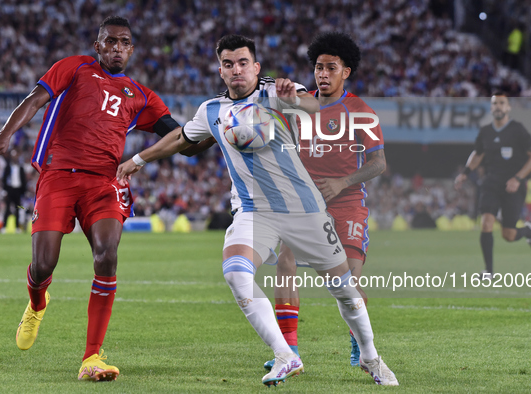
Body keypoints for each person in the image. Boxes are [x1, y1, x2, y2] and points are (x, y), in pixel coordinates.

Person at [117, 34, 398, 387]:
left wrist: (291, 96)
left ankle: (371, 357)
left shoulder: (274, 94)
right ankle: (286, 354)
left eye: (243, 63)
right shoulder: (212, 111)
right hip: (253, 211)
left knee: (344, 289)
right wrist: (138, 159)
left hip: (303, 209)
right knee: (236, 274)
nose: (237, 70)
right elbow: (180, 139)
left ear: (256, 67)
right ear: (220, 70)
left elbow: (313, 106)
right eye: (229, 64)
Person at [0, 16, 183, 381]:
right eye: (110, 41)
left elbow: (181, 136)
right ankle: (38, 301)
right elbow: (35, 99)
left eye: (124, 42)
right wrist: (4, 135)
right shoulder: (75, 68)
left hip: (105, 181)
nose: (117, 47)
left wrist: (218, 129)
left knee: (107, 254)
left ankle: (92, 357)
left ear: (131, 49)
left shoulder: (140, 95)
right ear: (98, 46)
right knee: (43, 265)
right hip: (58, 175)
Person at [262, 32, 386, 372]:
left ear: (346, 71)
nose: (322, 74)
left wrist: (342, 182)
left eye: (331, 68)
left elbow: (379, 163)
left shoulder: (361, 111)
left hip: (347, 204)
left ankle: (361, 349)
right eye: (318, 67)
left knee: (347, 280)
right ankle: (288, 351)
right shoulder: (299, 105)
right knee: (285, 262)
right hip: (305, 204)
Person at [455, 92, 531, 279]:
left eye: (502, 103)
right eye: (495, 103)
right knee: (486, 223)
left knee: (508, 235)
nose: (498, 106)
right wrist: (465, 174)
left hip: (513, 186)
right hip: (491, 183)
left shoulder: (518, 129)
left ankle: (528, 231)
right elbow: (477, 154)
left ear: (508, 107)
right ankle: (489, 272)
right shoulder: (485, 131)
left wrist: (518, 178)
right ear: (491, 107)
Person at [1, 149, 28, 232]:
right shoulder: (8, 167)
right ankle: (4, 227)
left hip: (18, 190)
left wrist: (24, 191)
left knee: (17, 208)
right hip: (10, 189)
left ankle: (17, 227)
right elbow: (4, 179)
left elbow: (23, 180)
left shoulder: (20, 168)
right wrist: (4, 190)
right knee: (7, 208)